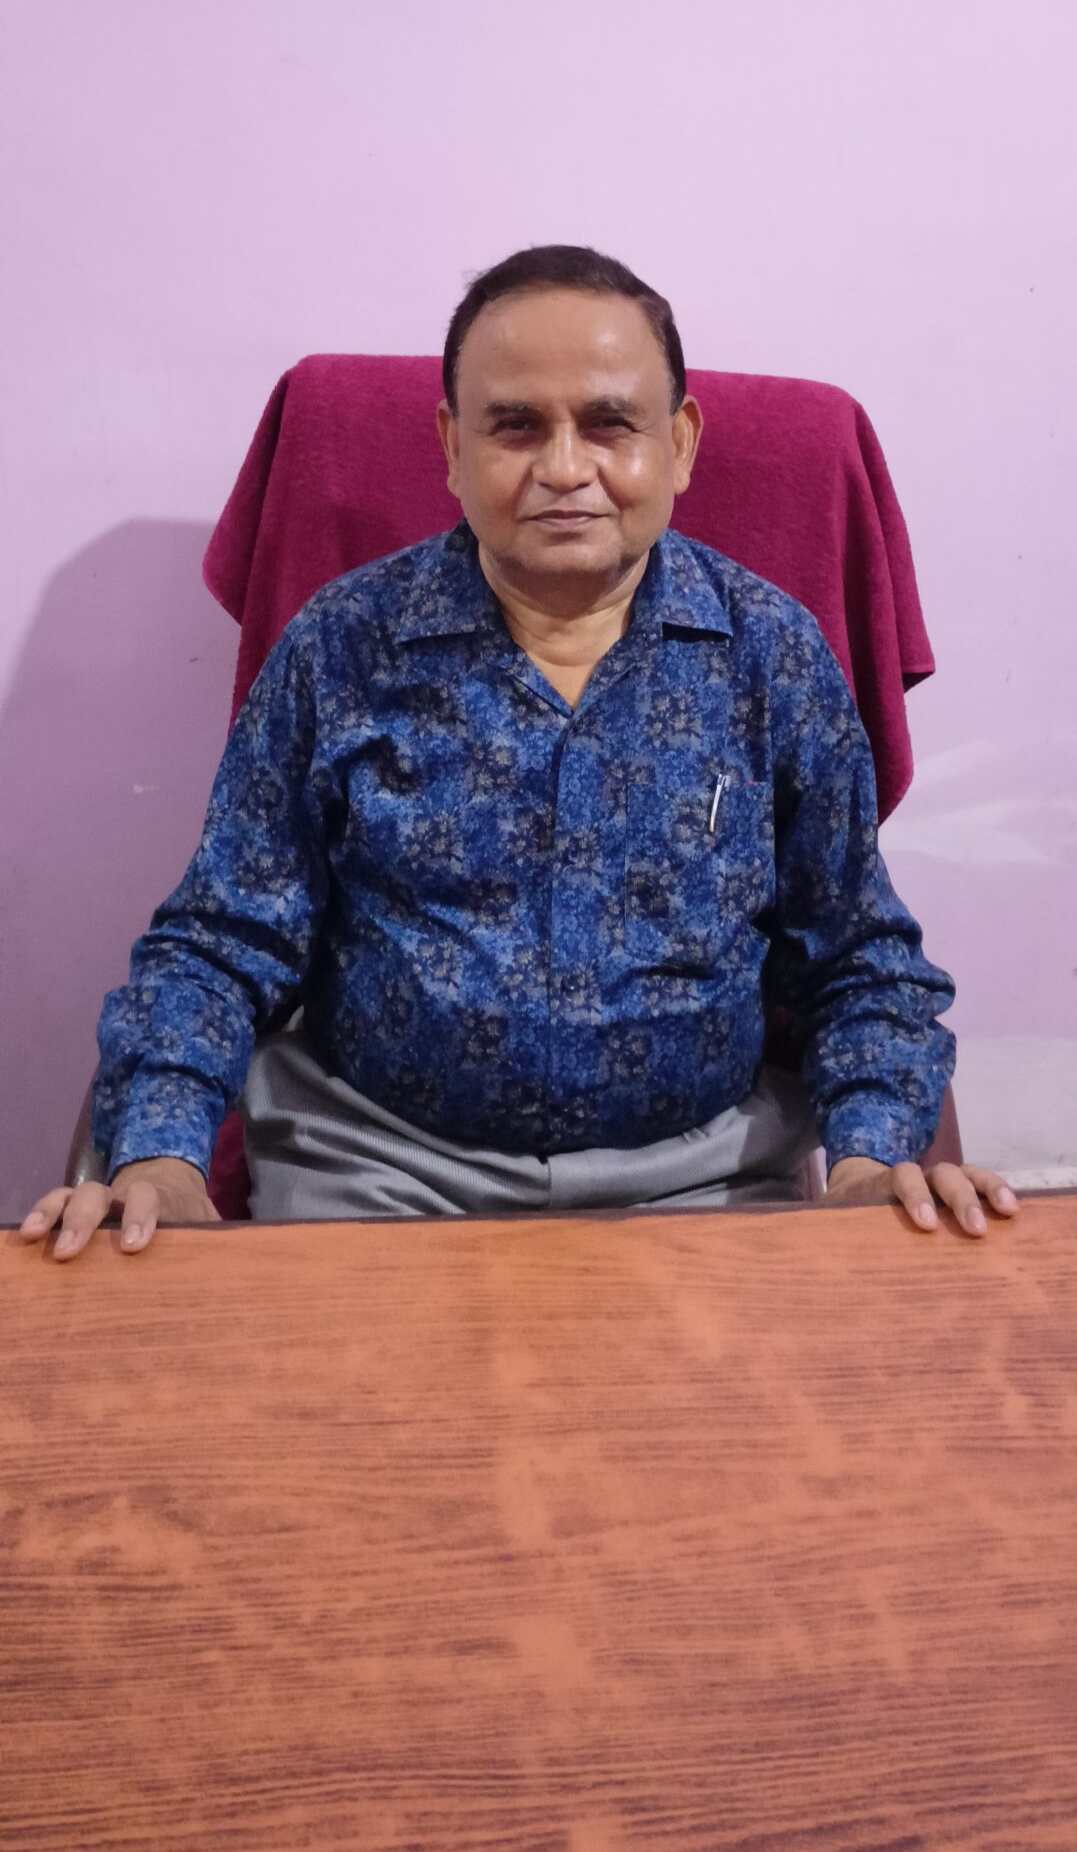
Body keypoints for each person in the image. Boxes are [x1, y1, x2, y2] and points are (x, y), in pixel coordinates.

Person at [21, 244, 1017, 1260]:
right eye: (516, 426)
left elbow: (856, 958)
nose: (564, 469)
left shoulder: (774, 658)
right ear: (452, 447)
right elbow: (221, 941)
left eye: (609, 423)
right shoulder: (341, 648)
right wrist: (161, 1156)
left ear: (679, 443)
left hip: (702, 1182)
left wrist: (868, 1155)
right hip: (375, 1172)